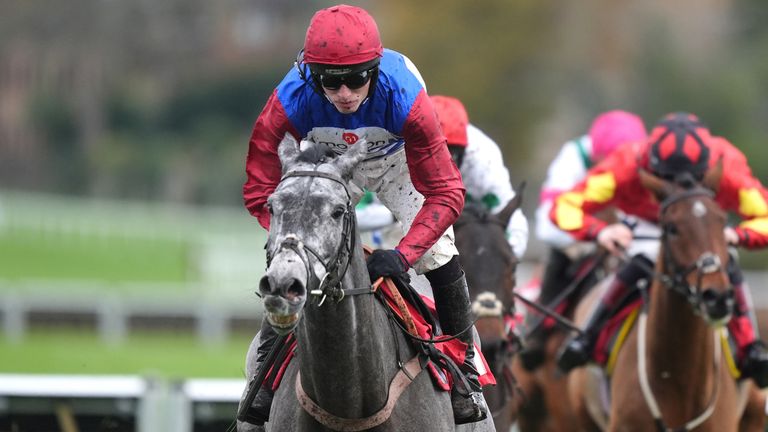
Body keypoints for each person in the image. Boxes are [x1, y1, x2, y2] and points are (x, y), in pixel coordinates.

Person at [242, 4, 487, 425]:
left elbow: (446, 193)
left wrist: (405, 255)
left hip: (400, 163)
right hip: (331, 165)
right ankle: (264, 372)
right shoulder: (289, 100)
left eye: (356, 79)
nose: (344, 94)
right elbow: (260, 188)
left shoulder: (406, 98)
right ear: (309, 76)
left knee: (439, 256)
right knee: (292, 258)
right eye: (330, 83)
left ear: (374, 70)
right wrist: (293, 239)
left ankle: (464, 373)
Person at [549, 112, 768, 388]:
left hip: (702, 225)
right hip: (645, 226)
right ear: (650, 165)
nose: (677, 188)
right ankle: (587, 338)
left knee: (727, 262)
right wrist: (600, 231)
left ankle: (750, 347)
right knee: (641, 260)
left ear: (707, 169)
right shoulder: (626, 162)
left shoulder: (728, 164)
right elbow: (565, 205)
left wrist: (737, 235)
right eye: (667, 180)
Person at [519, 110, 647, 370]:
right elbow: (546, 225)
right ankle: (537, 334)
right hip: (579, 243)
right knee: (562, 257)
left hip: (624, 241)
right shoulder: (573, 157)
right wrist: (596, 234)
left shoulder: (645, 161)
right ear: (598, 156)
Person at [355, 95, 529, 260]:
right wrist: (397, 214)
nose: (439, 163)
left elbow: (513, 219)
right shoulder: (391, 149)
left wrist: (505, 257)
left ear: (464, 152)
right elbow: (353, 216)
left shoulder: (483, 159)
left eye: (450, 153)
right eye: (430, 151)